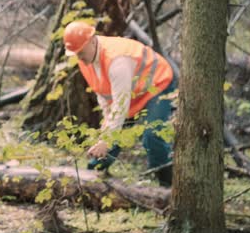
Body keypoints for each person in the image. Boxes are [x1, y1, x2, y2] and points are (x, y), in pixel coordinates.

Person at [63, 21, 177, 186]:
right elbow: (103, 95)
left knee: (153, 135)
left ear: (93, 41)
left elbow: (120, 106)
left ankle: (167, 187)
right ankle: (93, 175)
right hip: (129, 93)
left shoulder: (117, 61)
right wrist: (105, 129)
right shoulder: (85, 60)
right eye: (76, 53)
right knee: (110, 131)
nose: (79, 57)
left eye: (81, 51)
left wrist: (106, 140)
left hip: (157, 85)